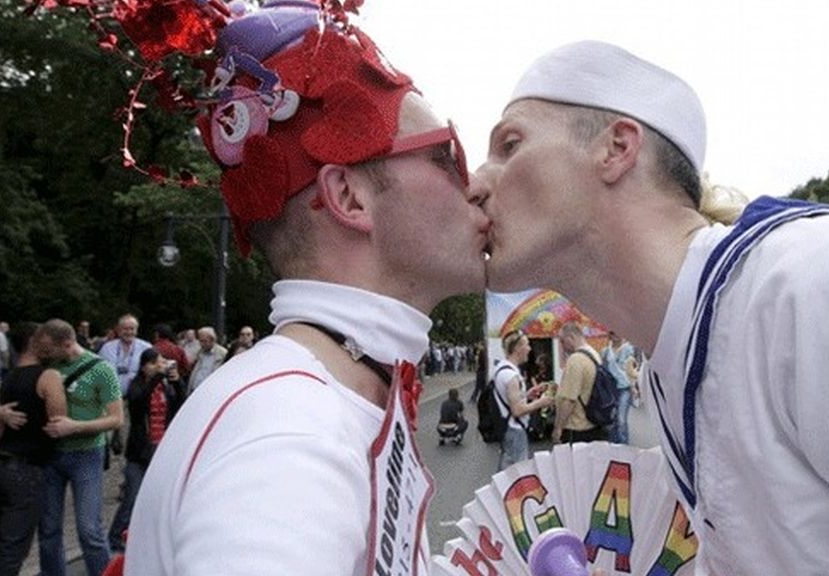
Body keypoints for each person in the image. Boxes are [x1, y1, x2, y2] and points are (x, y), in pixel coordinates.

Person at [472, 40, 829, 575]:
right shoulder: (676, 365)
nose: (477, 183)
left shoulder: (826, 285)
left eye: (510, 144)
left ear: (616, 148)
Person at [40, 2, 498, 574]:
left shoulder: (320, 400)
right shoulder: (290, 430)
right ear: (350, 198)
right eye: (444, 155)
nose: (476, 184)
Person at [0, 322, 67, 576]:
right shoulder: (49, 377)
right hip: (26, 469)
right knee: (12, 548)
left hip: (0, 463)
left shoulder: (7, 378)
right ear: (35, 341)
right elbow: (59, 423)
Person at [34, 319, 124, 576]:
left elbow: (117, 419)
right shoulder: (49, 366)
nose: (44, 354)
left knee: (89, 530)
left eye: (49, 348)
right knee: (48, 529)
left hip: (86, 453)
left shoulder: (101, 369)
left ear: (67, 343)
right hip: (52, 453)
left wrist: (74, 426)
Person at [108, 348, 185, 553]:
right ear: (144, 367)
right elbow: (139, 401)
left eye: (159, 363)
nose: (157, 367)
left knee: (159, 499)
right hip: (140, 452)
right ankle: (115, 538)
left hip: (161, 450)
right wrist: (158, 375)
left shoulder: (166, 388)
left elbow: (180, 405)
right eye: (153, 363)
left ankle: (147, 538)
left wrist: (176, 381)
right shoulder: (137, 386)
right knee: (131, 497)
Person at [493, 331, 553, 470]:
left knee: (506, 475)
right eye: (527, 344)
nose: (530, 349)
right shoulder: (512, 376)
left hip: (507, 429)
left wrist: (527, 395)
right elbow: (517, 410)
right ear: (517, 348)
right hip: (515, 432)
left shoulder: (501, 369)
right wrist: (541, 402)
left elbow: (509, 400)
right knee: (518, 477)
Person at [549, 321, 605, 445]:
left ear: (571, 338)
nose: (562, 346)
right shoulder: (594, 354)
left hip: (576, 427)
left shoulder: (576, 360)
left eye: (562, 341)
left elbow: (569, 400)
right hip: (592, 422)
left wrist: (558, 428)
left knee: (573, 463)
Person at [97, 314, 152, 397]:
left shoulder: (146, 347)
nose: (129, 332)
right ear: (118, 330)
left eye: (132, 329)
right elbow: (98, 371)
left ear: (137, 330)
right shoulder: (107, 348)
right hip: (111, 398)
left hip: (138, 399)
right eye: (125, 329)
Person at [601, 331, 635, 444]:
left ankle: (624, 446)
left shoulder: (629, 349)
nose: (616, 335)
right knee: (612, 418)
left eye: (617, 332)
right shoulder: (605, 351)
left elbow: (633, 370)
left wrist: (634, 388)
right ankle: (614, 446)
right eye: (613, 332)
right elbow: (603, 371)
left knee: (621, 419)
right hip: (611, 388)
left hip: (625, 387)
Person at [187, 326, 227, 394]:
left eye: (205, 341)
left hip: (210, 392)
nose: (202, 344)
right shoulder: (199, 352)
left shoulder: (222, 353)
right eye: (200, 341)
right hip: (195, 390)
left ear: (213, 340)